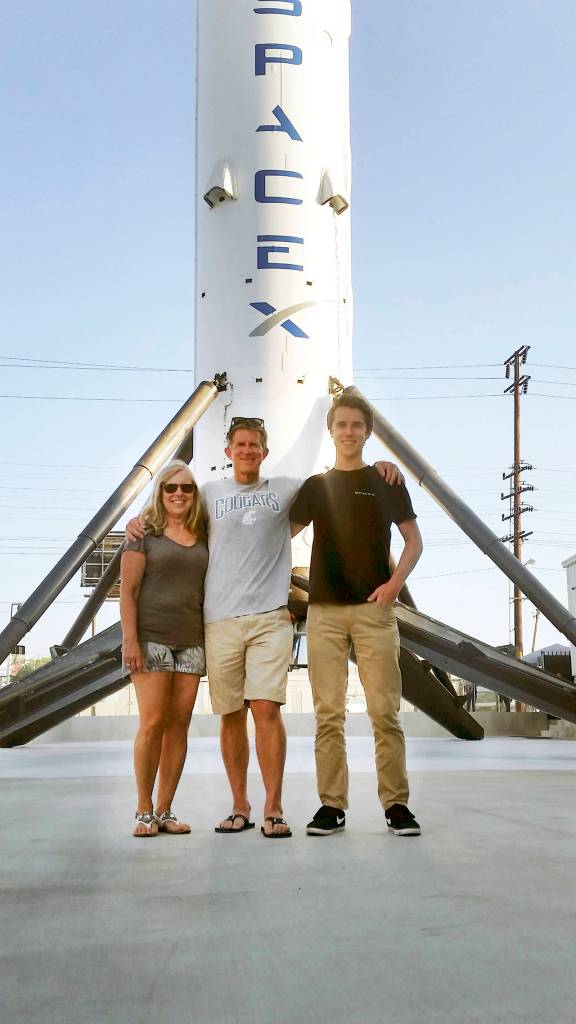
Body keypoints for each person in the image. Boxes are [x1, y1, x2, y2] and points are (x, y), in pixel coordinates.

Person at [126, 416, 402, 838]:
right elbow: (173, 510)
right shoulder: (209, 494)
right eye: (240, 445)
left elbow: (341, 477)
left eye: (255, 445)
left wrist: (384, 467)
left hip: (271, 616)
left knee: (267, 710)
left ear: (265, 452)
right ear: (228, 452)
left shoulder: (288, 488)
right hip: (219, 620)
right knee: (231, 715)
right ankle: (240, 806)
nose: (248, 451)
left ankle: (274, 808)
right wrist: (139, 521)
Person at [290, 393, 424, 837]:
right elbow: (277, 535)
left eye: (356, 425)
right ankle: (332, 805)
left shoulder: (386, 481)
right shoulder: (316, 486)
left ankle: (397, 805)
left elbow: (414, 542)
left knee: (384, 712)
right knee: (329, 715)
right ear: (330, 430)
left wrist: (393, 587)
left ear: (367, 432)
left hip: (373, 614)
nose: (348, 432)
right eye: (341, 424)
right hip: (325, 614)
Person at [120, 460, 208, 837]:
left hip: (192, 640)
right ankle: (143, 810)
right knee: (153, 723)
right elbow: (128, 590)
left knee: (179, 727)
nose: (178, 494)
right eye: (171, 487)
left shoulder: (204, 533)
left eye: (186, 488)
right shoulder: (143, 534)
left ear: (194, 494)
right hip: (152, 638)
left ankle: (165, 809)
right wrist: (131, 640)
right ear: (160, 493)